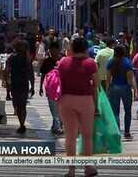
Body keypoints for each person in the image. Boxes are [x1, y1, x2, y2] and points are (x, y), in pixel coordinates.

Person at [57, 37, 98, 177]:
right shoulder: (91, 63)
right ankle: (88, 167)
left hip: (66, 99)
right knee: (87, 135)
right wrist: (96, 106)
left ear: (72, 48)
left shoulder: (63, 62)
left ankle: (71, 170)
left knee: (70, 136)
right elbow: (95, 86)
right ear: (86, 48)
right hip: (86, 100)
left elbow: (59, 80)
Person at [106, 45, 138, 139]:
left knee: (115, 112)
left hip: (114, 88)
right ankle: (127, 132)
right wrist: (135, 90)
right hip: (125, 88)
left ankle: (117, 132)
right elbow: (131, 79)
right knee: (127, 111)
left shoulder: (110, 62)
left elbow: (108, 79)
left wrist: (107, 90)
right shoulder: (128, 63)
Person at [6, 39, 33, 134]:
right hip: (21, 83)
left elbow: (7, 71)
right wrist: (32, 86)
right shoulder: (23, 58)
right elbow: (31, 73)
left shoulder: (17, 58)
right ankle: (21, 123)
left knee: (19, 105)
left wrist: (7, 82)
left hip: (18, 83)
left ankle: (22, 124)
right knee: (20, 105)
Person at [39, 41, 63, 135]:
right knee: (53, 107)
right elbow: (43, 74)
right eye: (51, 49)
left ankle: (56, 125)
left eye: (55, 49)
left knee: (60, 107)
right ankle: (56, 125)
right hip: (50, 88)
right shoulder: (47, 61)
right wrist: (40, 87)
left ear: (58, 50)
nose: (53, 51)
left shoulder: (62, 60)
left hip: (61, 88)